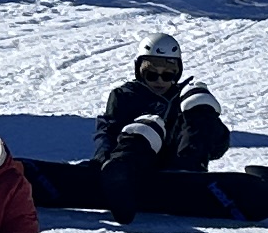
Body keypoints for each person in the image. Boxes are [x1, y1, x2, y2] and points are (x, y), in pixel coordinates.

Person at [92, 32, 231, 209]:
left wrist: (208, 118)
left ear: (177, 73)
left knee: (198, 105)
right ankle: (119, 177)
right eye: (151, 74)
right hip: (136, 163)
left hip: (178, 165)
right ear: (139, 71)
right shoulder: (125, 96)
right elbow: (107, 131)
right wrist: (101, 160)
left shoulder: (184, 98)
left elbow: (218, 147)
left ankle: (189, 175)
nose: (159, 81)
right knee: (147, 127)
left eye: (167, 75)